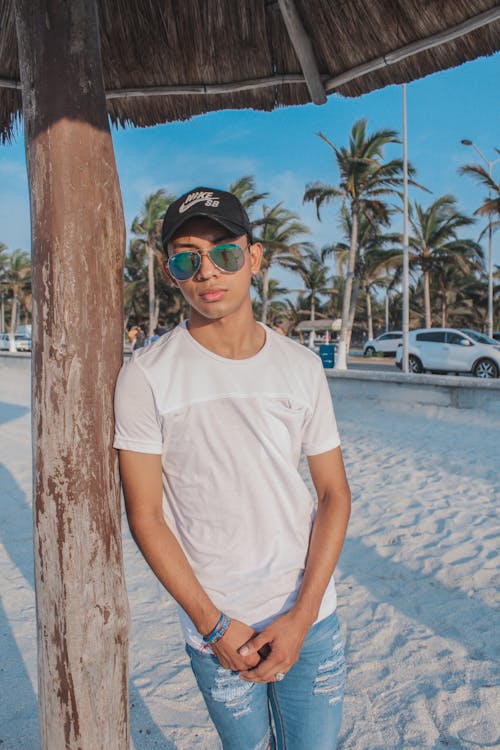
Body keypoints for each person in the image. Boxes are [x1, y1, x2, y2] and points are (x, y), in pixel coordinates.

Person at [113, 187, 351, 750]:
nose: (207, 271)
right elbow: (145, 516)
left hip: (310, 617)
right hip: (215, 627)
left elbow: (334, 493)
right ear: (170, 271)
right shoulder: (146, 376)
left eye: (223, 252)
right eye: (186, 257)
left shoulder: (299, 366)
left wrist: (304, 614)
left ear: (254, 256)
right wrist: (214, 626)